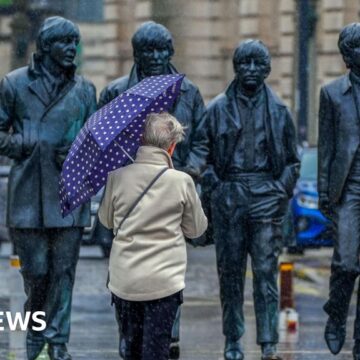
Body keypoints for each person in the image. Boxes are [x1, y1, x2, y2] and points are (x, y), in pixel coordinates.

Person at [99, 20, 207, 358]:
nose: (157, 56)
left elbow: (202, 141)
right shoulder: (117, 93)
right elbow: (102, 142)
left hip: (173, 187)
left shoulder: (188, 92)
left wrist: (192, 169)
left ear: (172, 51)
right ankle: (130, 331)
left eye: (162, 49)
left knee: (167, 261)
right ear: (136, 54)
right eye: (149, 50)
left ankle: (167, 333)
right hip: (130, 188)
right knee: (130, 267)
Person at [0, 17, 96, 360]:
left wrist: (79, 152)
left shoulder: (85, 90)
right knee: (37, 272)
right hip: (28, 196)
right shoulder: (14, 84)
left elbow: (96, 141)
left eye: (75, 42)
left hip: (70, 195)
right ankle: (35, 330)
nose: (72, 49)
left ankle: (57, 341)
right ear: (45, 46)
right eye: (64, 42)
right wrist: (18, 144)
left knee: (63, 273)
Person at [201, 40, 300, 360]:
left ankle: (269, 339)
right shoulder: (216, 109)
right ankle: (233, 339)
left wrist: (279, 190)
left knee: (266, 273)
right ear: (236, 67)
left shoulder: (280, 111)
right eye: (245, 63)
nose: (251, 70)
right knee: (230, 274)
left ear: (268, 69)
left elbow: (292, 162)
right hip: (230, 196)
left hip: (265, 197)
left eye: (258, 64)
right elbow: (202, 155)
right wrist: (216, 187)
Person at [318, 23, 360, 360]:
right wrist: (323, 194)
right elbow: (327, 149)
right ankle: (336, 313)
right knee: (346, 262)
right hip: (349, 188)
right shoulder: (332, 94)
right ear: (347, 55)